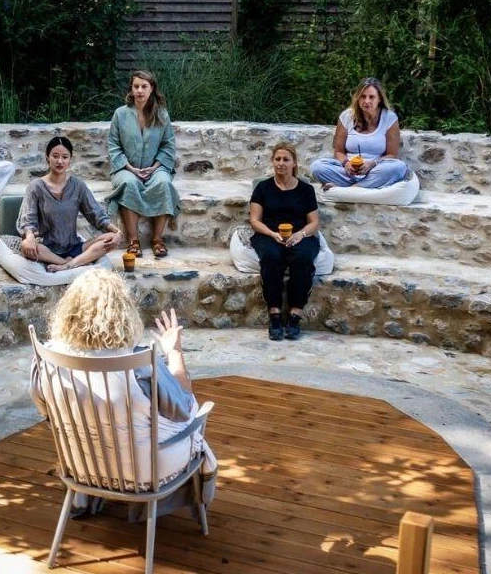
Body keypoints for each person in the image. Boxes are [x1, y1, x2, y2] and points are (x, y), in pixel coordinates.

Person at [30, 269, 216, 522]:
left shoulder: (48, 357)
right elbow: (182, 408)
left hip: (82, 466)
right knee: (195, 415)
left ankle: (84, 499)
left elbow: (45, 409)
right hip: (147, 472)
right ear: (124, 312)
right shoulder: (140, 363)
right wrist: (174, 352)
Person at [19, 136, 123, 273]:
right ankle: (68, 263)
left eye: (65, 157)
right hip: (47, 248)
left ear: (70, 160)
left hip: (74, 247)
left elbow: (96, 214)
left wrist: (117, 232)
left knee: (109, 238)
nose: (60, 161)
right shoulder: (36, 187)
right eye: (55, 156)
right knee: (25, 246)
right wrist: (30, 238)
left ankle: (67, 265)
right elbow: (28, 220)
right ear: (47, 157)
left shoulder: (77, 185)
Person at [104, 70, 178, 259]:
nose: (139, 90)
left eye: (144, 86)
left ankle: (157, 239)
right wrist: (130, 168)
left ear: (151, 88)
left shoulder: (162, 114)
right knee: (129, 183)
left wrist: (154, 167)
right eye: (136, 86)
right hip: (126, 168)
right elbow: (113, 144)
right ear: (131, 88)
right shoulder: (120, 114)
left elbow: (168, 144)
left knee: (163, 183)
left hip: (156, 167)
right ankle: (133, 239)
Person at [250, 143, 321, 341]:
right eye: (277, 159)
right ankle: (274, 314)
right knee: (272, 257)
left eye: (286, 160)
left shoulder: (306, 190)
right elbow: (255, 220)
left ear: (294, 163)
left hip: (299, 234)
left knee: (303, 258)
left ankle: (295, 315)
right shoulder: (263, 188)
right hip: (269, 234)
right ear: (273, 162)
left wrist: (301, 234)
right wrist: (272, 234)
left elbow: (314, 222)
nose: (281, 163)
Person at [309, 77, 410, 191]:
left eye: (371, 97)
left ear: (379, 99)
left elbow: (392, 155)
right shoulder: (347, 116)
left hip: (375, 169)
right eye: (363, 96)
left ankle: (349, 189)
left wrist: (371, 164)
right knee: (316, 167)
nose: (366, 101)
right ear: (357, 98)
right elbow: (338, 151)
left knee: (399, 167)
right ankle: (363, 186)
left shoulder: (389, 118)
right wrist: (346, 164)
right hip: (348, 172)